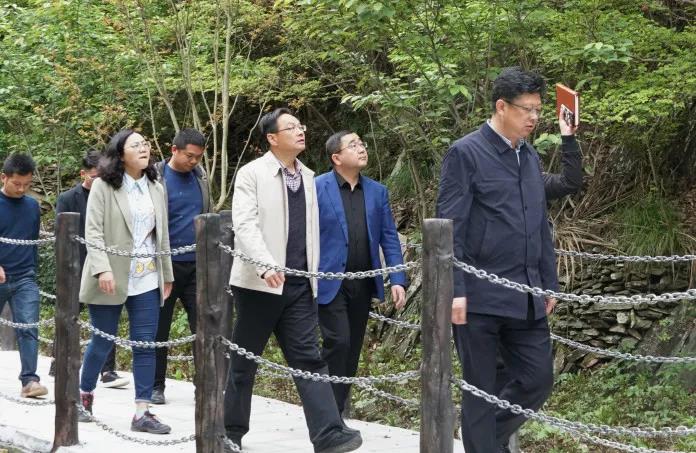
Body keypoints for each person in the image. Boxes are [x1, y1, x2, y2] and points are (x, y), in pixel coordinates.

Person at [436, 67, 559, 453]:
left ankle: (484, 440)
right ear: (501, 106)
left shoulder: (529, 156)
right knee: (480, 389)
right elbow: (450, 226)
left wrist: (548, 282)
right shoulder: (465, 153)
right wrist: (455, 290)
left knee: (537, 380)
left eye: (538, 109)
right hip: (479, 297)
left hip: (526, 294)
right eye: (527, 109)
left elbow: (539, 224)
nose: (534, 117)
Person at [225, 108, 362, 453]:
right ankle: (229, 433)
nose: (301, 131)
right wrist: (265, 265)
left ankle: (328, 434)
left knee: (309, 359)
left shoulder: (308, 175)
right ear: (272, 138)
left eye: (301, 126)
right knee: (245, 360)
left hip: (299, 284)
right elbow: (245, 224)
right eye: (291, 127)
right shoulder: (252, 174)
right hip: (259, 285)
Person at [78, 129, 174, 434]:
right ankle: (83, 396)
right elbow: (93, 231)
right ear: (120, 154)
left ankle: (142, 412)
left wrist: (167, 274)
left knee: (145, 344)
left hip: (147, 276)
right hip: (111, 274)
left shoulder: (156, 185)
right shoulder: (104, 186)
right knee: (102, 340)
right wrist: (102, 269)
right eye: (136, 145)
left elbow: (163, 234)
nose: (144, 148)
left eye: (145, 143)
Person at [315, 130, 407, 417]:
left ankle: (337, 410)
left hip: (364, 282)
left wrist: (398, 279)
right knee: (338, 341)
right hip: (330, 282)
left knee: (352, 347)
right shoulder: (316, 188)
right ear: (336, 157)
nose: (361, 148)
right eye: (353, 145)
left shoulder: (378, 191)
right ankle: (327, 412)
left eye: (362, 143)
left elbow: (389, 237)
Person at [51, 150, 129, 389]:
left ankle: (107, 369)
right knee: (68, 315)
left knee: (107, 317)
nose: (98, 181)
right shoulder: (68, 198)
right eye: (94, 177)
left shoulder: (114, 194)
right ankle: (60, 358)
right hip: (75, 266)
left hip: (105, 264)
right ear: (83, 174)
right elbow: (60, 235)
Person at [151, 128, 210, 405]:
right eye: (189, 155)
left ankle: (206, 385)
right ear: (174, 149)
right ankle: (155, 386)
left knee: (203, 325)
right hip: (163, 264)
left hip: (197, 264)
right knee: (158, 328)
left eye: (198, 156)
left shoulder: (201, 177)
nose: (194, 161)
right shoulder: (154, 176)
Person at [0, 153, 48, 399]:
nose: (21, 189)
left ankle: (30, 380)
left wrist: (32, 270)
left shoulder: (31, 206)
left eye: (26, 185)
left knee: (29, 326)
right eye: (16, 183)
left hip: (25, 277)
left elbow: (32, 241)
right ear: (4, 177)